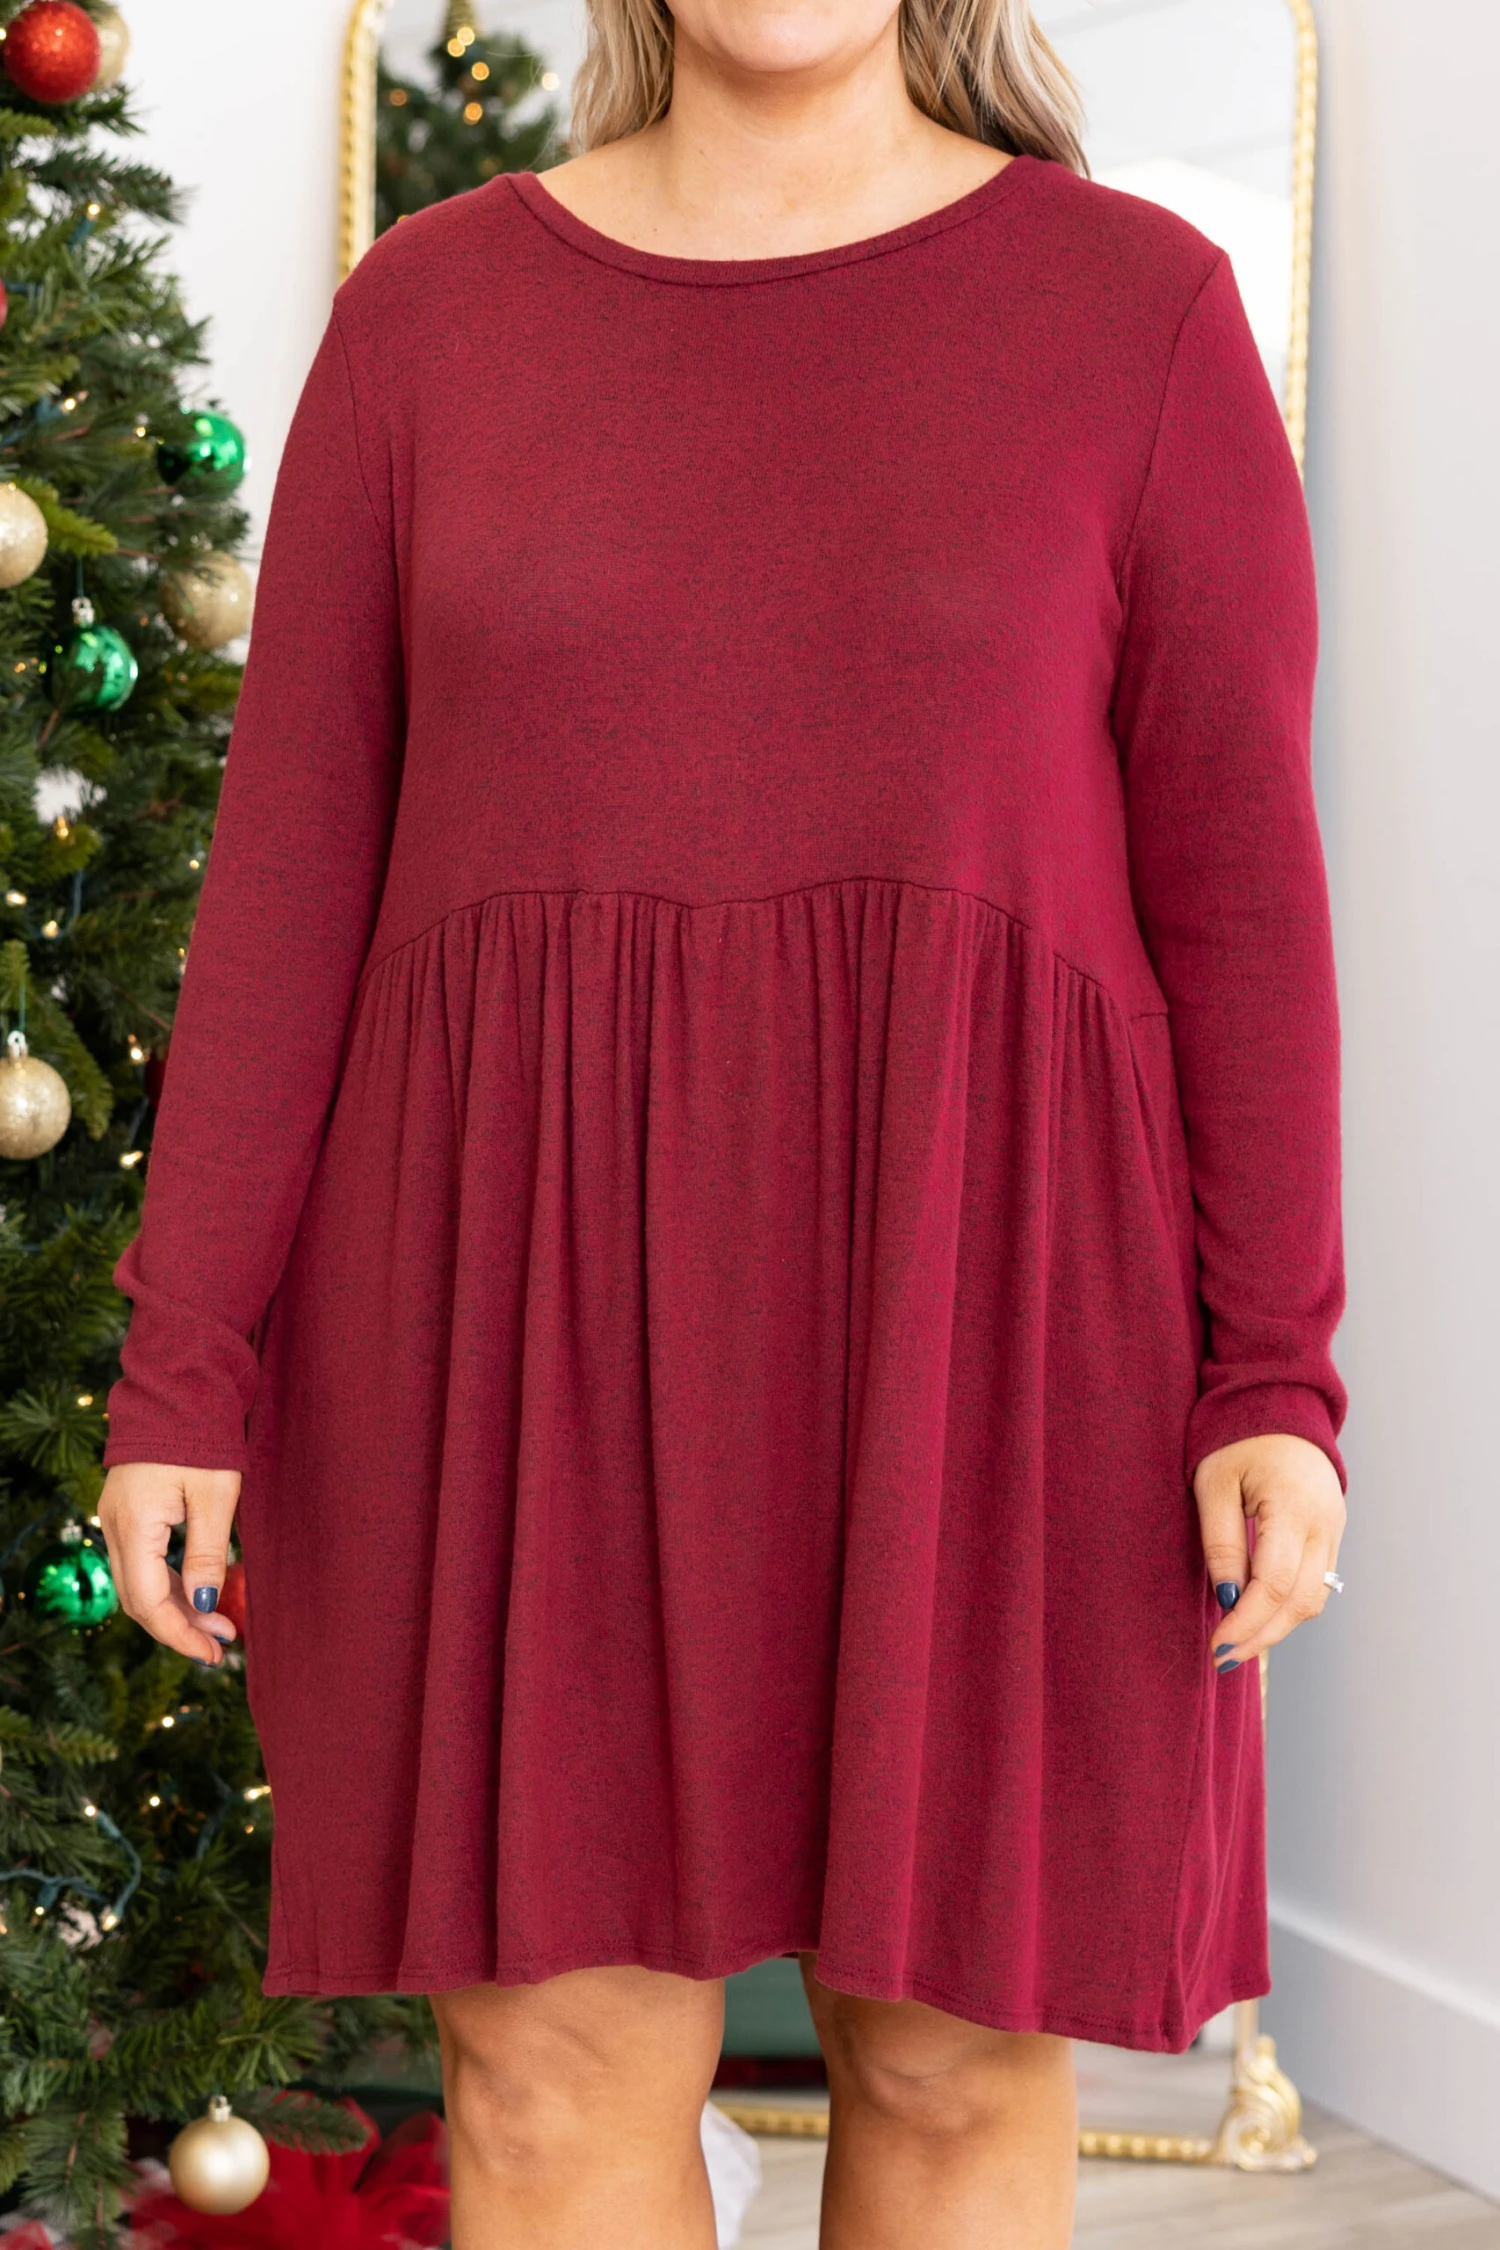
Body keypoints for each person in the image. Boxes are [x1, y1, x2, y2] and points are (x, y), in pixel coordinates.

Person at [95, 0, 1348, 2237]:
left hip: (987, 1307)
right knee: (549, 2071)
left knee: (953, 2060)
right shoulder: (430, 319)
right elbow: (284, 888)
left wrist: (1274, 1372)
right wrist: (186, 1358)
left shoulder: (1137, 315)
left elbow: (1243, 902)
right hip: (515, 1312)